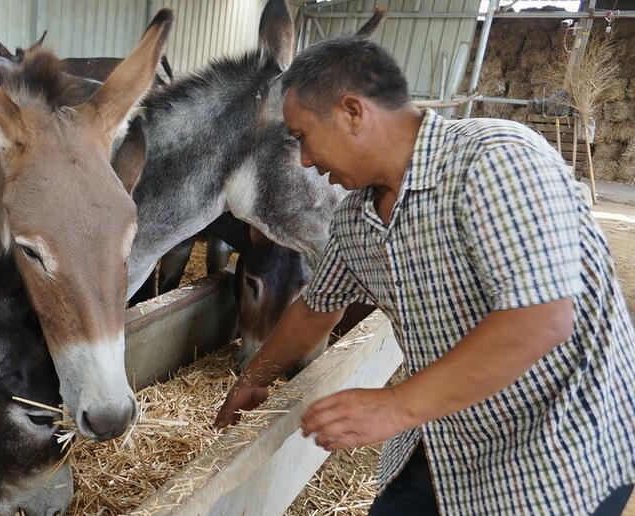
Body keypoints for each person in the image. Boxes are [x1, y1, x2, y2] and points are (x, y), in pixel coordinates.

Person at [213, 35, 635, 515]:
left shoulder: (495, 159)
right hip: (448, 437)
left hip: (558, 451)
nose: (306, 160)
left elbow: (540, 319)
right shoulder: (356, 219)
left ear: (352, 111)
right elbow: (316, 307)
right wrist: (254, 376)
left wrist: (395, 406)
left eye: (303, 137)